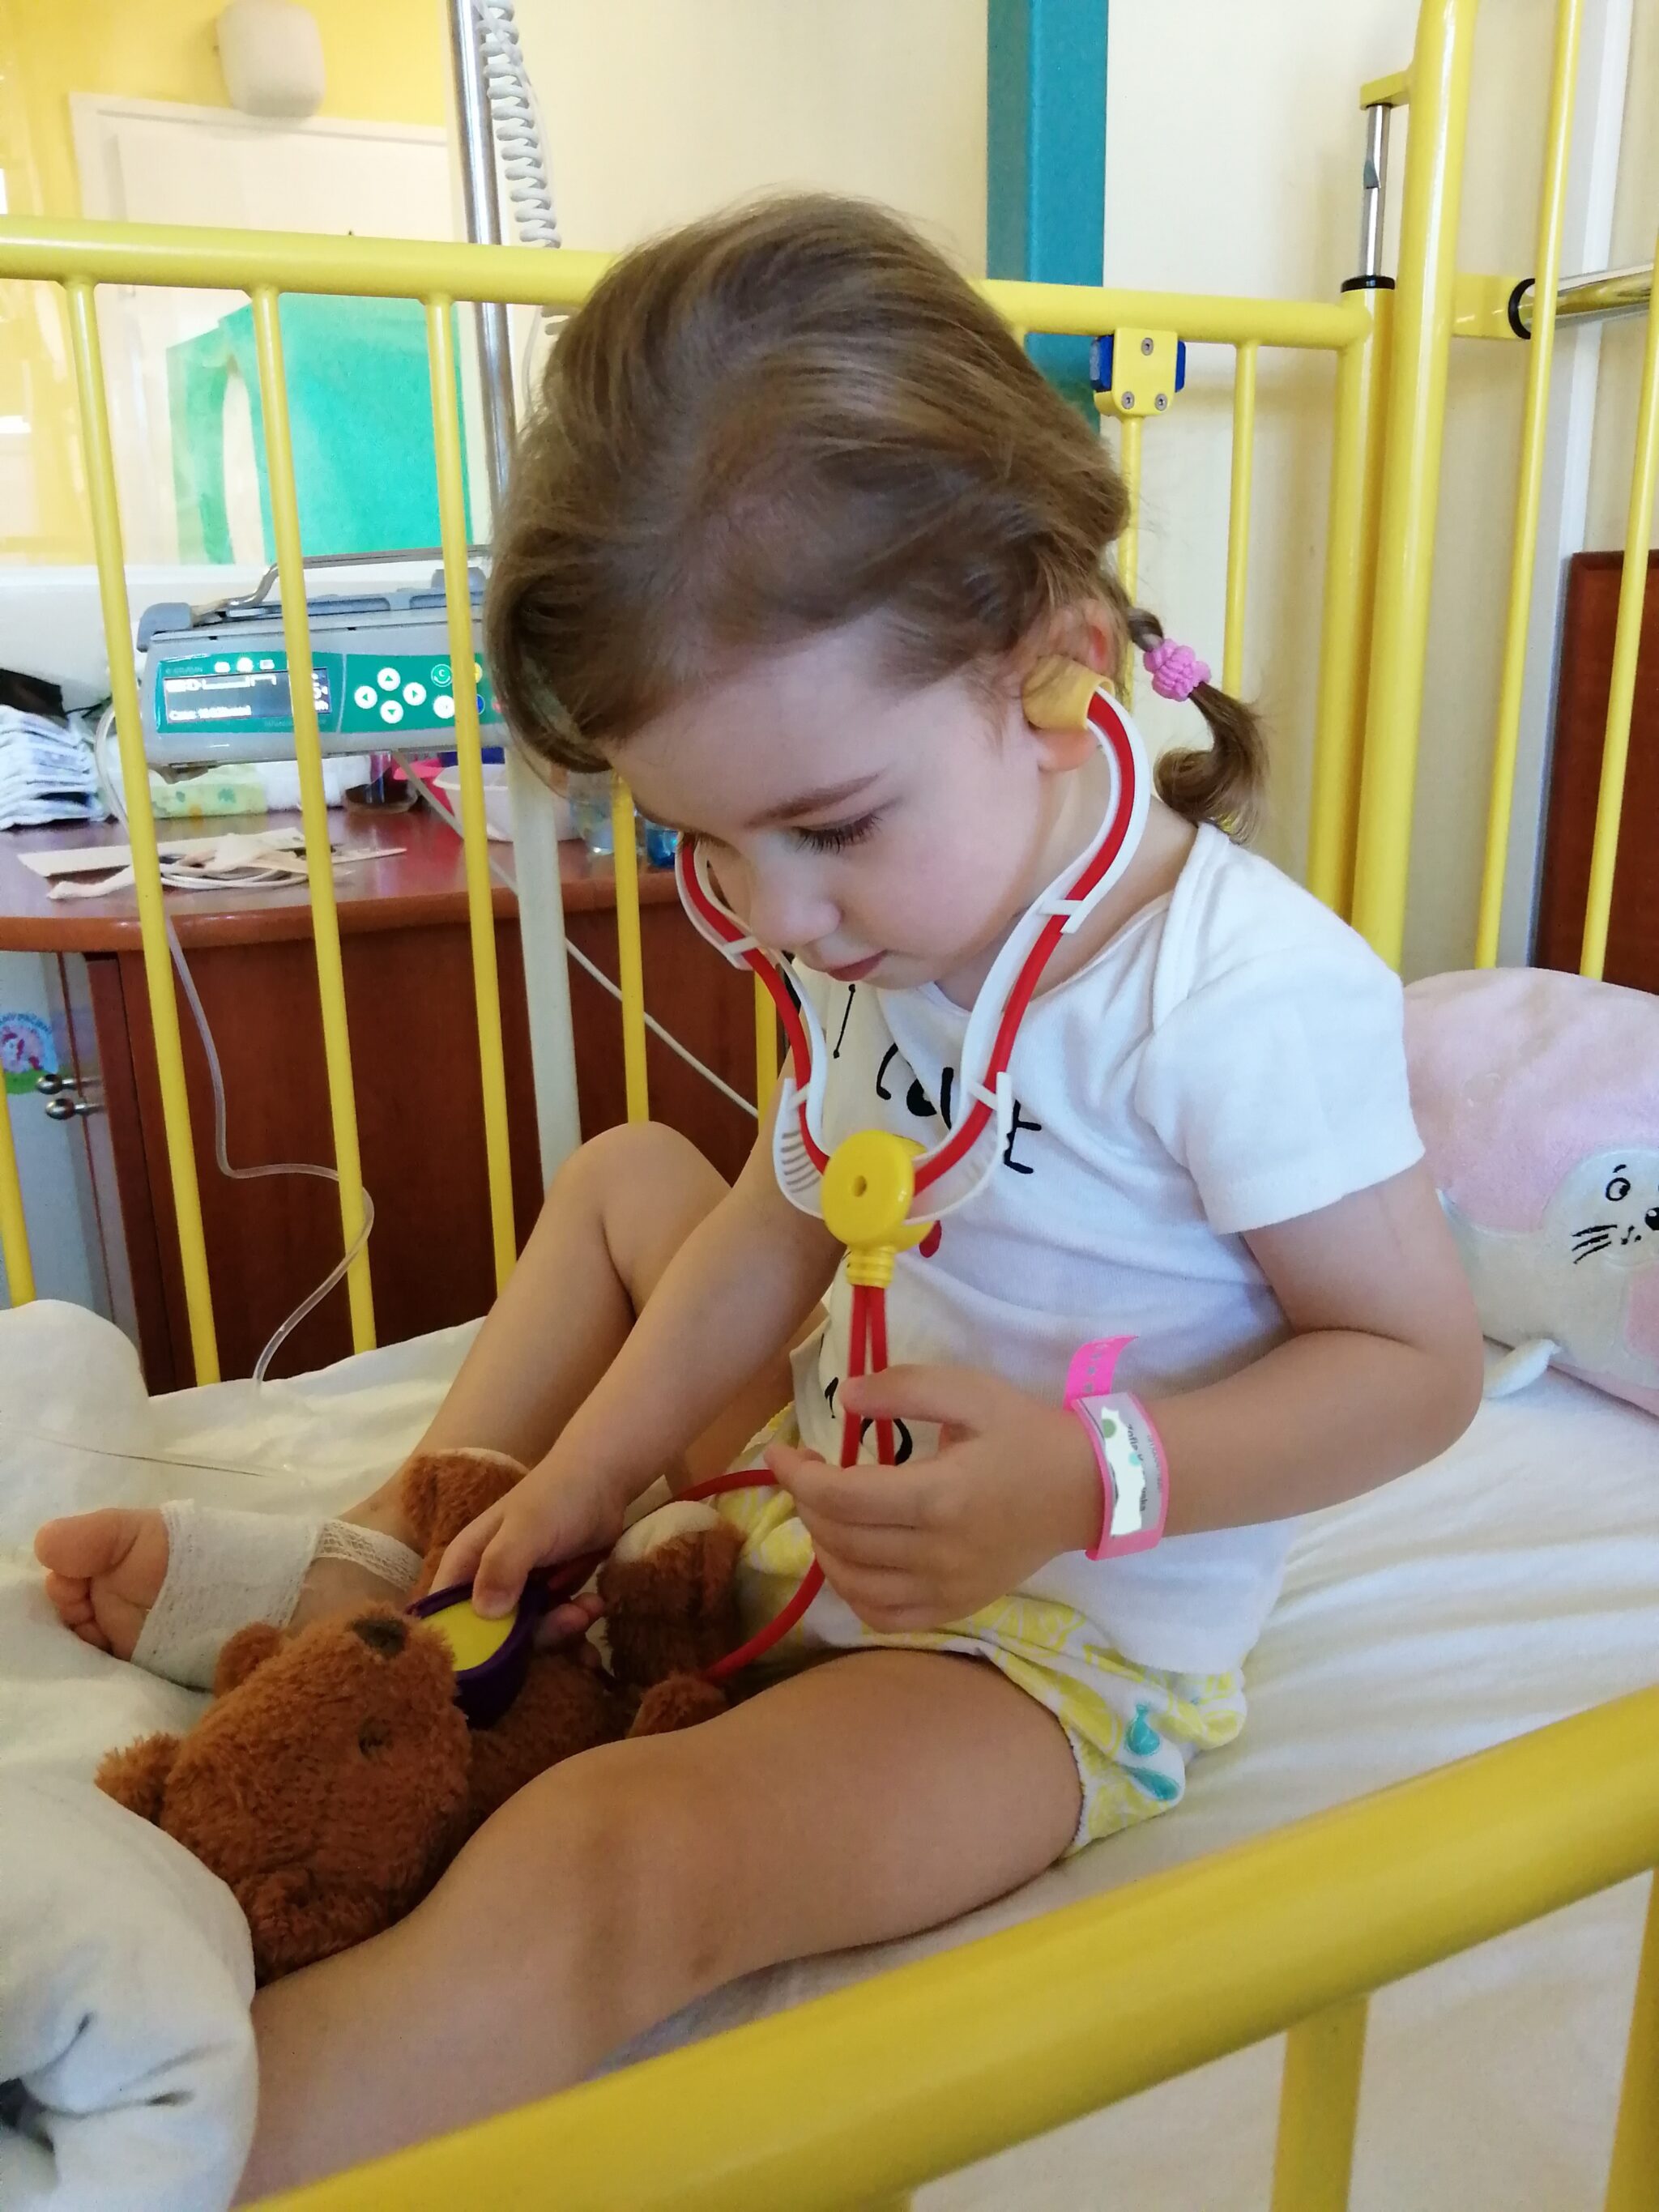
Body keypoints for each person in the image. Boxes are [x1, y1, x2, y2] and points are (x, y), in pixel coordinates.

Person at [34, 195, 1482, 2196]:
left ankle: (139, 2155)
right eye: (705, 842)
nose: (776, 916)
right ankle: (396, 1559)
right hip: (818, 1463)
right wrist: (579, 1483)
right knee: (636, 1174)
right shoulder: (884, 928)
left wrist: (1088, 1478)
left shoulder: (1240, 1001)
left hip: (1033, 1646)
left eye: (828, 826)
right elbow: (776, 1224)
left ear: (1055, 669)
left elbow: (1413, 1368)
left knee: (610, 1853)